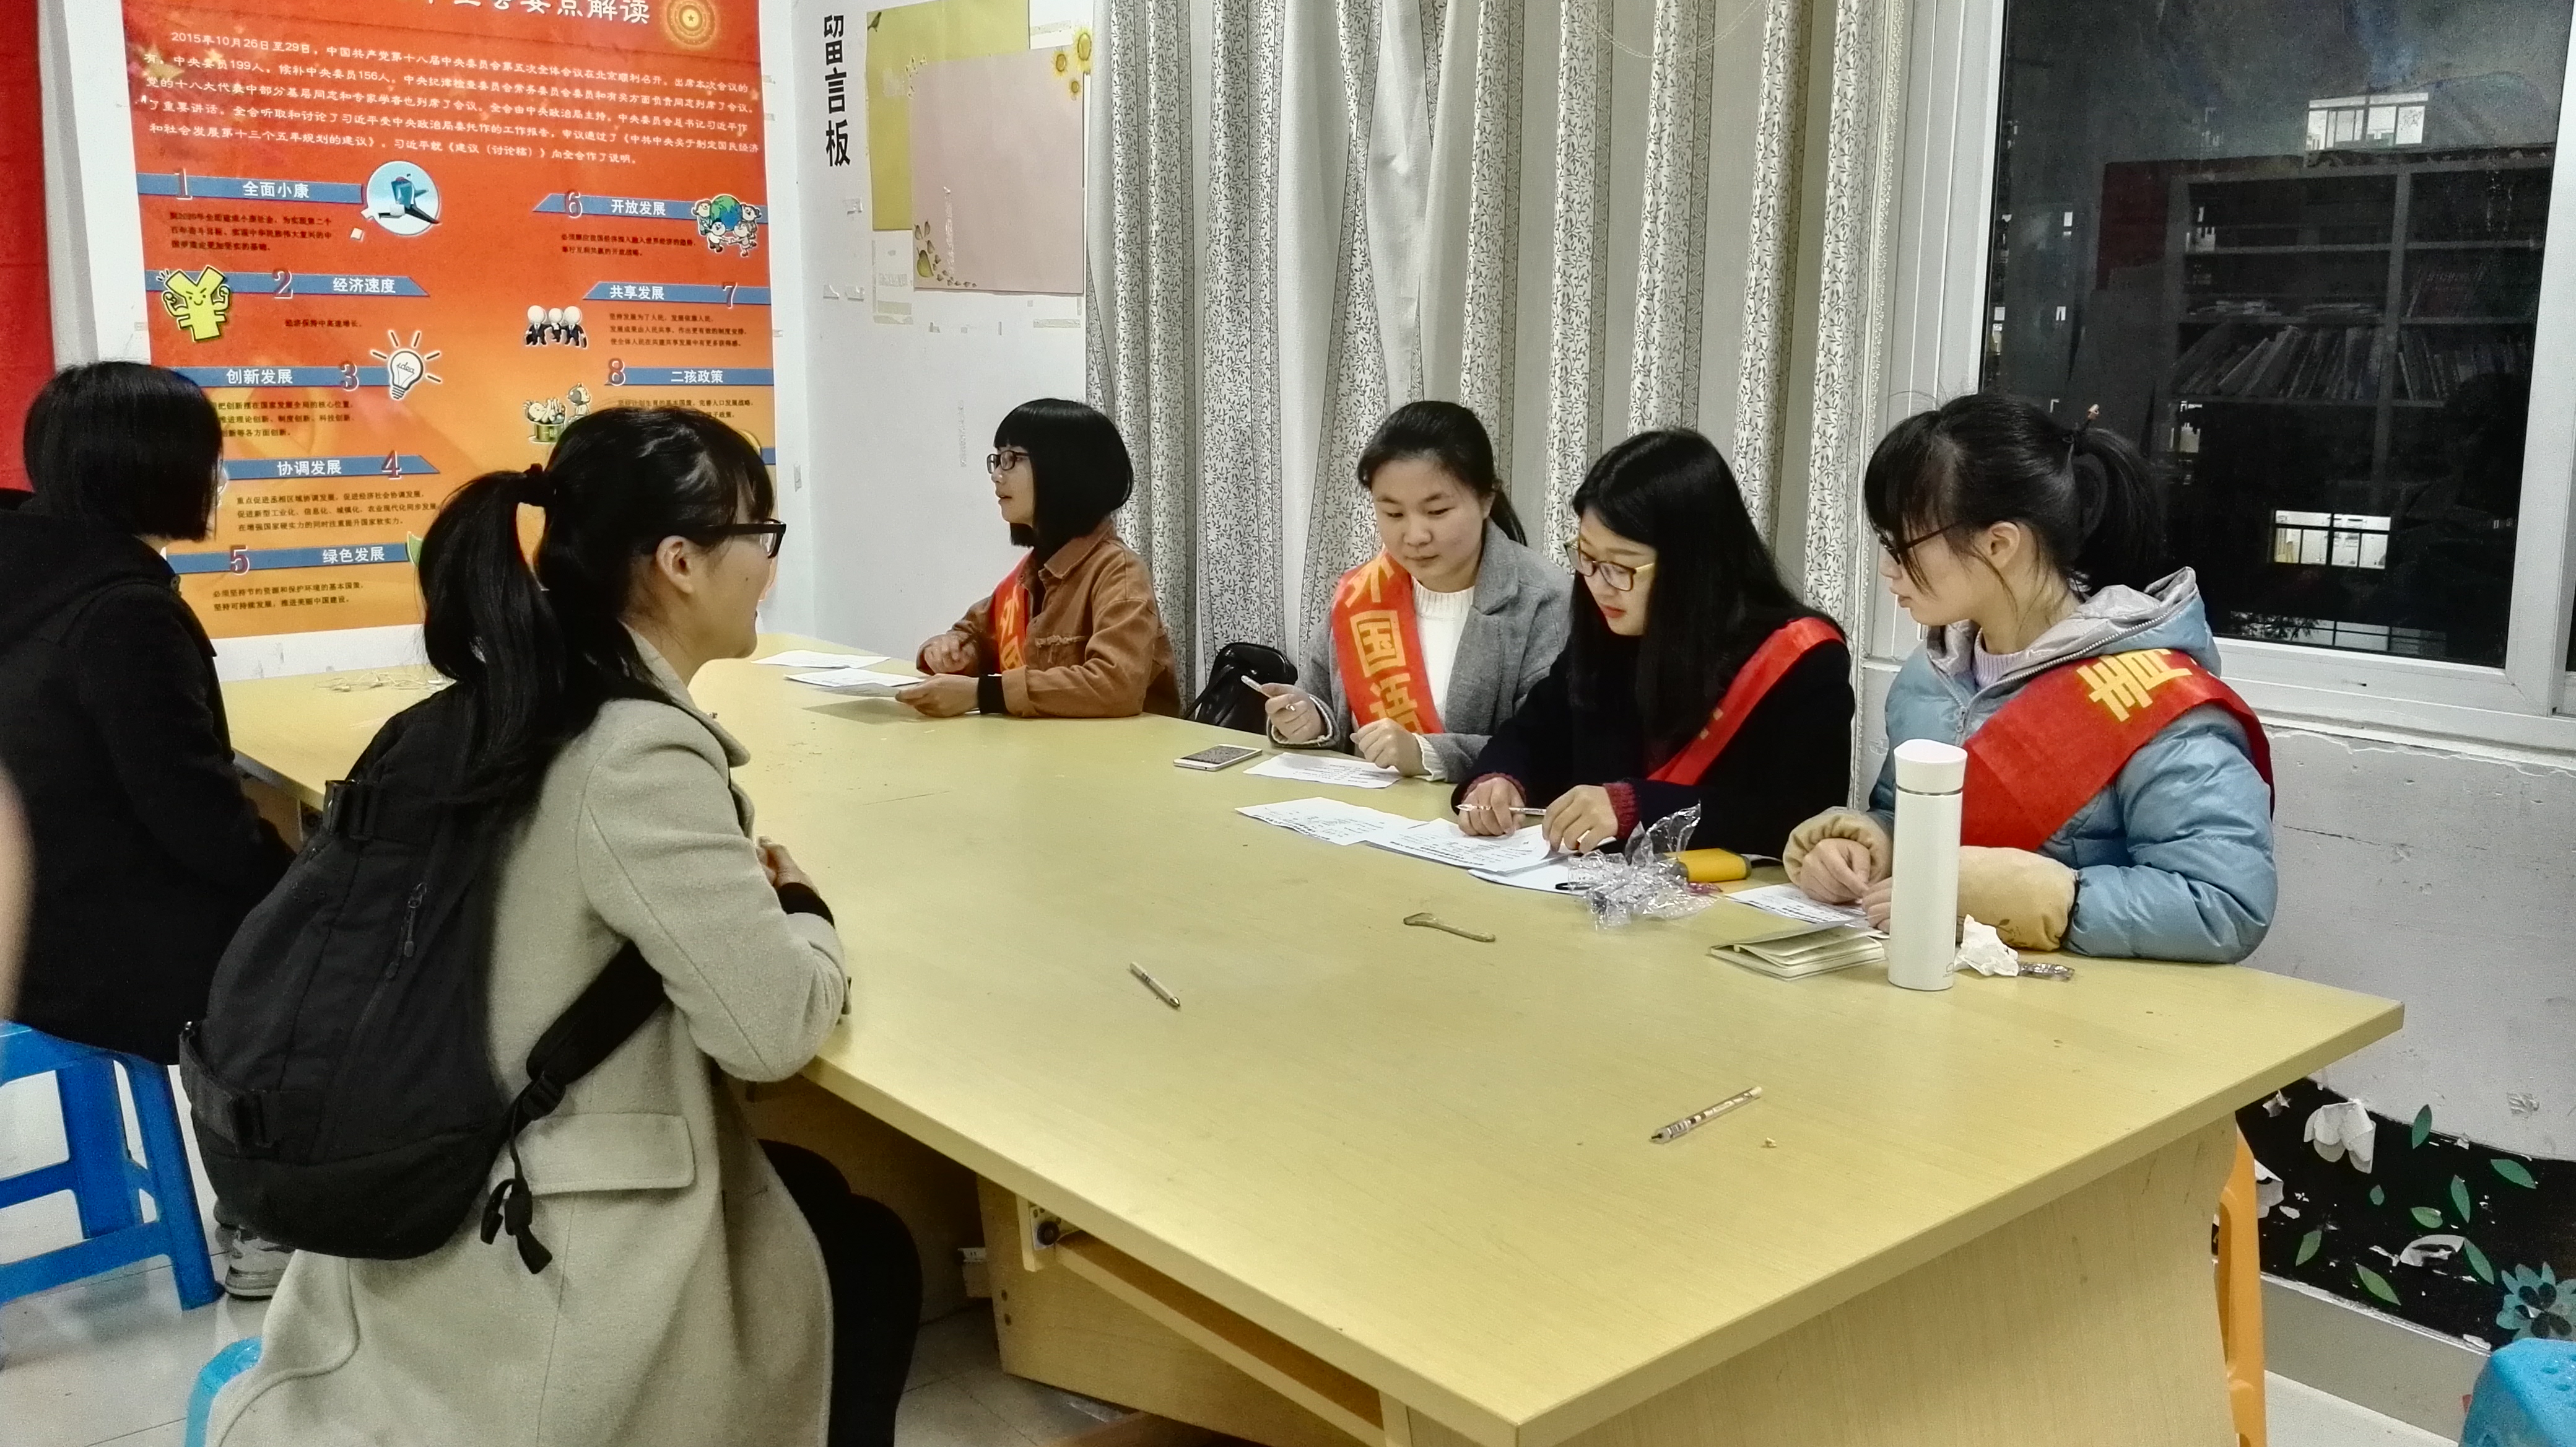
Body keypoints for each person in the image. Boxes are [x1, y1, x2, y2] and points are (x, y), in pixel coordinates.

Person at [212, 408, 921, 1447]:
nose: (769, 566)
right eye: (760, 536)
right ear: (680, 562)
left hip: (431, 1169)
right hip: (534, 1238)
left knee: (813, 1199)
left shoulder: (497, 703)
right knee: (868, 1259)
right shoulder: (636, 752)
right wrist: (806, 912)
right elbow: (770, 1031)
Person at [1785, 395, 2274, 963]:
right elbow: (1910, 817)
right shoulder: (1930, 674)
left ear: (1999, 544)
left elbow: (2225, 904)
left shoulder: (2153, 699)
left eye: (1902, 546)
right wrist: (1870, 845)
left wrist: (2043, 899)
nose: (1888, 569)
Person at [0, 362, 297, 1295]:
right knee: (303, 949)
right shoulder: (124, 611)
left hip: (24, 914)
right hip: (91, 944)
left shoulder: (30, 573)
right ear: (157, 472)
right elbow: (197, 822)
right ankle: (265, 1213)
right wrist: (297, 883)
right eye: (208, 458)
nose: (218, 477)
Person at [1455, 430, 1853, 856]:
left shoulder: (1802, 659)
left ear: (1692, 566)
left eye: (1621, 567)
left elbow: (1795, 817)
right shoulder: (1608, 628)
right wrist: (1500, 780)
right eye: (1587, 558)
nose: (1598, 585)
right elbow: (1532, 734)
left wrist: (1636, 807)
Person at [1256, 401, 1568, 778]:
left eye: (1437, 512)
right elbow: (1320, 701)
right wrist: (1310, 722)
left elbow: (1552, 748)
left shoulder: (1544, 601)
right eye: (1393, 514)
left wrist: (1426, 753)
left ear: (1487, 499)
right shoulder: (1362, 594)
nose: (1415, 536)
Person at [907, 398, 1181, 718]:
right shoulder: (1033, 571)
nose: (997, 475)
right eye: (997, 459)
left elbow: (1116, 685)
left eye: (1011, 459)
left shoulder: (1118, 572)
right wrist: (951, 650)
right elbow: (977, 634)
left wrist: (983, 694)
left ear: (1063, 468)